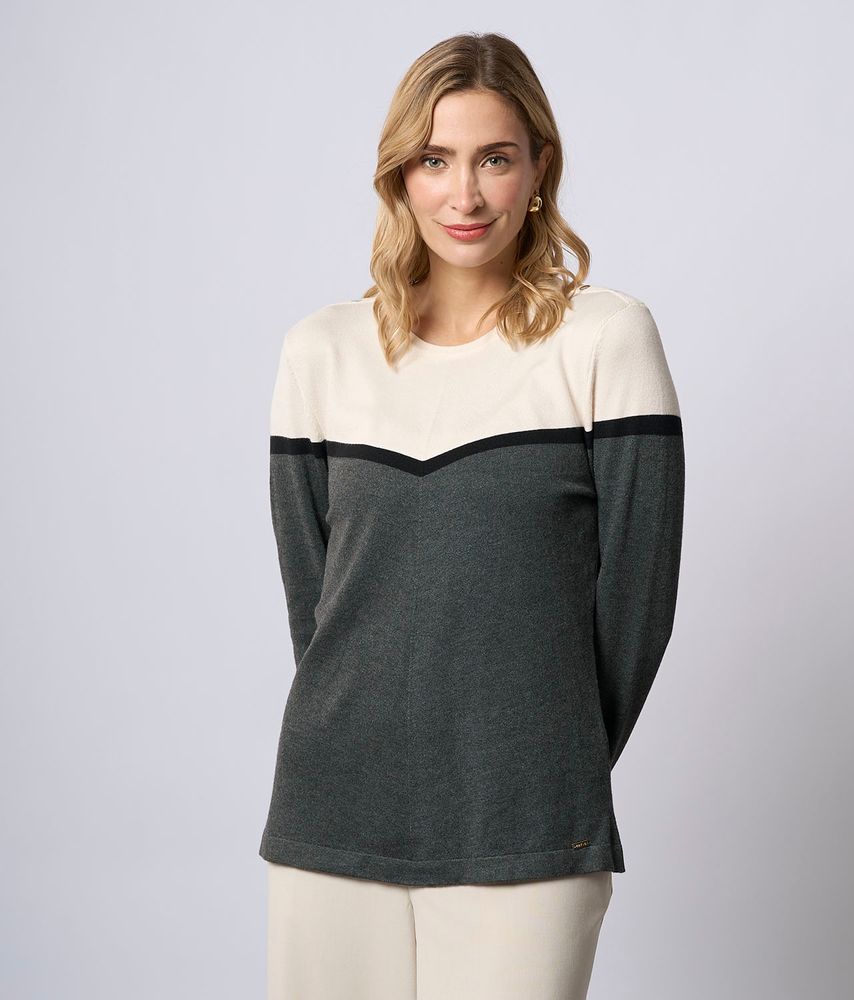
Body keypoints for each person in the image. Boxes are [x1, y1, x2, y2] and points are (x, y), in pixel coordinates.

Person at [260, 31, 685, 1000]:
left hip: (530, 819)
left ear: (538, 170)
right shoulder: (320, 352)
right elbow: (317, 610)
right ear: (400, 177)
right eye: (435, 160)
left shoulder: (605, 340)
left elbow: (637, 604)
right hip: (332, 808)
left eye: (494, 158)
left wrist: (546, 760)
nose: (465, 194)